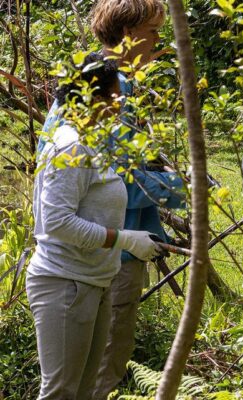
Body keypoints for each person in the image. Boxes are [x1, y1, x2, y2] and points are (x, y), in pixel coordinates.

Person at [38, 1, 185, 398]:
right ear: (128, 34)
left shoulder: (117, 86)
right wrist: (177, 190)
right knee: (96, 372)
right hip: (97, 256)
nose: (159, 41)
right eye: (153, 31)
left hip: (112, 253)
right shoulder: (101, 91)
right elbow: (106, 177)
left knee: (98, 372)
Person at [27, 53, 161, 400]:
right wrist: (125, 239)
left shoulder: (94, 145)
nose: (120, 108)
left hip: (93, 281)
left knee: (85, 392)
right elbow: (55, 222)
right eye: (117, 98)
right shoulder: (70, 146)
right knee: (60, 392)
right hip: (65, 283)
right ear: (95, 99)